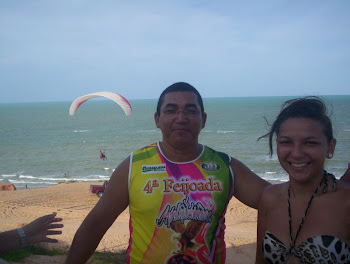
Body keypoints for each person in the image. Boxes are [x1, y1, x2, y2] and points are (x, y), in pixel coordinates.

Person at [65, 83, 350, 264]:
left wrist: (340, 185)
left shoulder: (225, 166)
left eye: (190, 110)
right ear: (157, 119)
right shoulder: (133, 166)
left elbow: (282, 198)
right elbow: (95, 225)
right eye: (171, 110)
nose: (181, 117)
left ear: (203, 119)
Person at [255, 97, 350, 263]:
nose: (297, 153)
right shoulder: (269, 197)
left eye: (310, 143)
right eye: (286, 142)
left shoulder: (346, 202)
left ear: (330, 147)